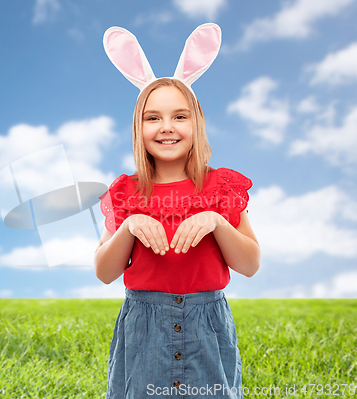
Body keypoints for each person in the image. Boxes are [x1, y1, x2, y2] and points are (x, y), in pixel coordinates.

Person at [94, 24, 261, 398]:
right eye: (152, 118)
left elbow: (250, 264)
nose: (166, 127)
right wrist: (129, 227)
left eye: (179, 116)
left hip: (207, 324)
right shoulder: (127, 192)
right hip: (144, 327)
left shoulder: (220, 187)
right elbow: (104, 272)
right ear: (138, 127)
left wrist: (217, 221)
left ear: (196, 122)